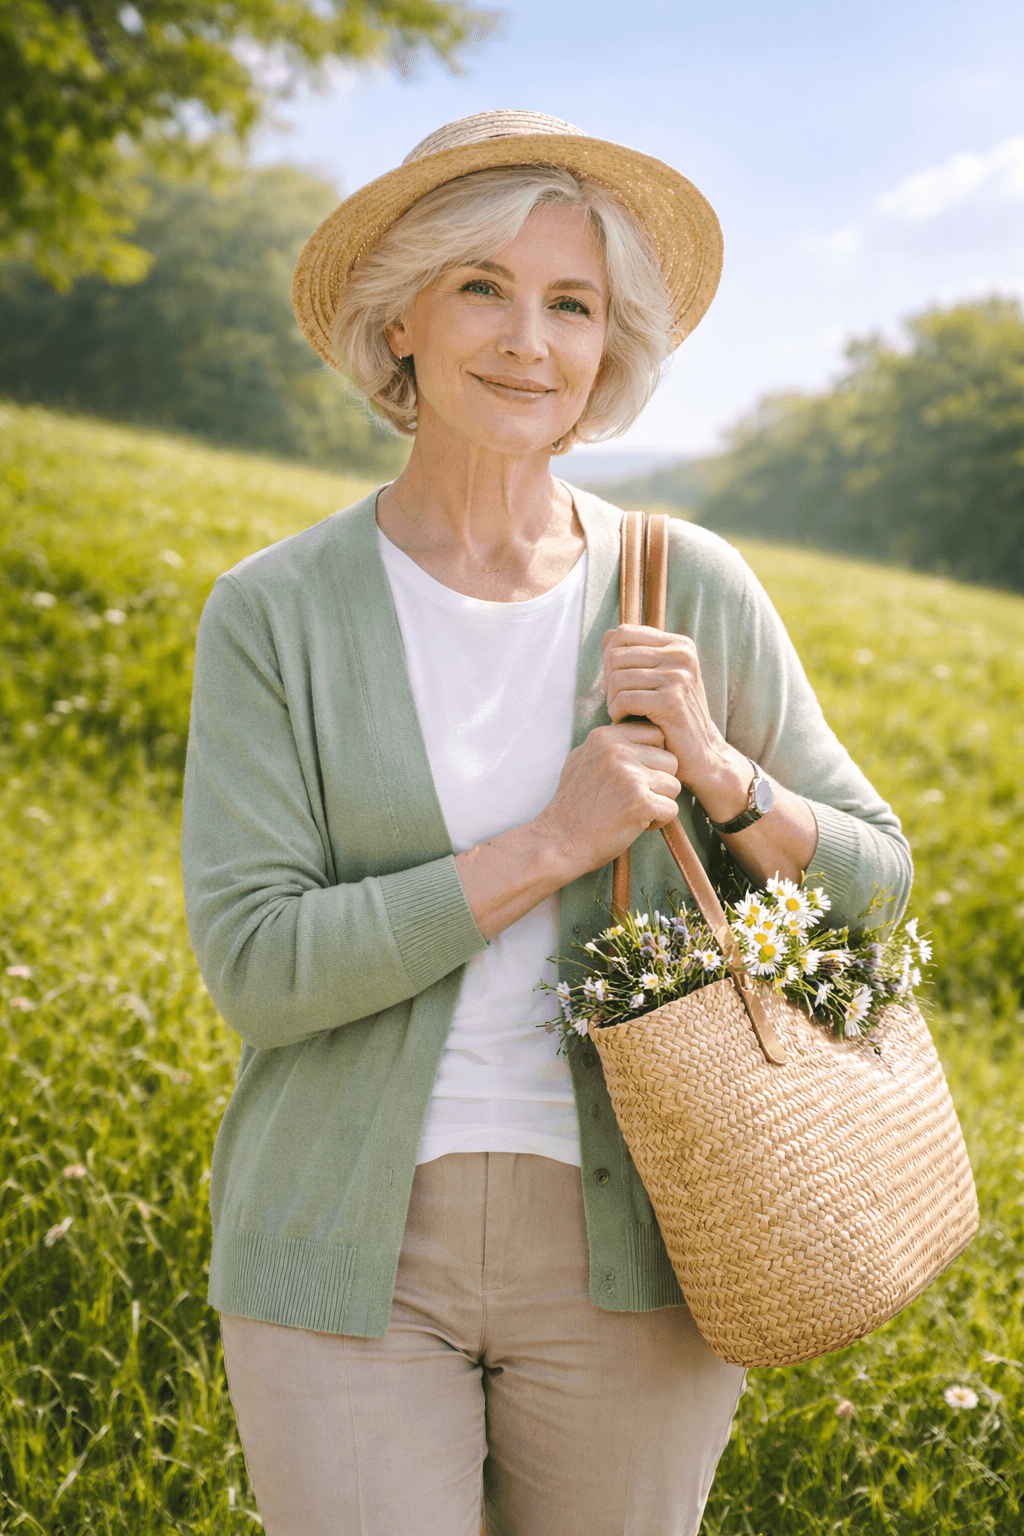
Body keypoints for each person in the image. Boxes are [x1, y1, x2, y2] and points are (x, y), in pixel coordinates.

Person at [182, 110, 912, 1536]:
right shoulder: (274, 613)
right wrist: (549, 847)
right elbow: (258, 968)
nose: (529, 339)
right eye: (483, 288)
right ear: (399, 320)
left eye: (570, 304)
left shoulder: (687, 581)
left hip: (644, 1248)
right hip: (344, 1253)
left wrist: (719, 769)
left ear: (606, 349)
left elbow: (877, 888)